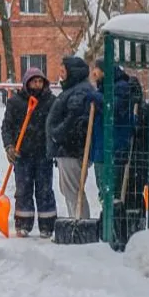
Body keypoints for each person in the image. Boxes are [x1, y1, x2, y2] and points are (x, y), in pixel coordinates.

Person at [45, 56, 102, 220]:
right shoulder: (75, 90)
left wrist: (56, 134)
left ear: (73, 73)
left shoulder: (78, 92)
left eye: (63, 72)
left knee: (73, 191)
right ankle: (76, 221)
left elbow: (73, 120)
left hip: (71, 150)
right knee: (70, 191)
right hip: (69, 149)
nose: (60, 75)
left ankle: (80, 223)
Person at [1, 67, 56, 238]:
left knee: (44, 190)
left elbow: (55, 125)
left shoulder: (50, 102)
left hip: (43, 155)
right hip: (22, 155)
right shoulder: (15, 103)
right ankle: (23, 224)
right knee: (23, 190)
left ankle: (47, 225)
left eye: (40, 81)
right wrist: (9, 146)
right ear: (26, 83)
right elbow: (7, 127)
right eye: (34, 82)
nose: (37, 85)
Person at [90, 60, 143, 206]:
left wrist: (96, 97)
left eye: (96, 69)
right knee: (104, 192)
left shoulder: (121, 88)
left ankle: (112, 217)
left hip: (114, 148)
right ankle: (107, 214)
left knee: (111, 192)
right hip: (101, 148)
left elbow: (113, 109)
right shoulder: (102, 89)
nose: (93, 73)